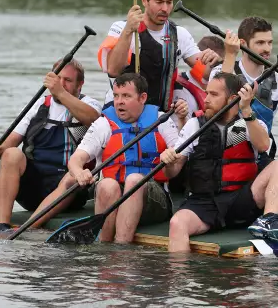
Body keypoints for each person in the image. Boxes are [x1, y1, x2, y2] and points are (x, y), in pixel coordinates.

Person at [159, 72, 278, 253]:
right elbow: (173, 172)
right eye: (207, 93)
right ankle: (179, 278)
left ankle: (268, 220)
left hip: (242, 200)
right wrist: (168, 162)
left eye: (214, 95)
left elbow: (263, 145)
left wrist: (246, 110)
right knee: (177, 223)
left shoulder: (250, 123)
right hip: (205, 202)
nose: (206, 99)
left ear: (232, 99)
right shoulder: (194, 125)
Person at [67, 73, 189, 243]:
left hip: (153, 201)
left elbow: (175, 171)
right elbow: (75, 160)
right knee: (107, 184)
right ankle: (104, 246)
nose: (119, 101)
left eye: (126, 96)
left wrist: (169, 163)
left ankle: (121, 249)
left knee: (134, 180)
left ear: (142, 98)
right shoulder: (103, 124)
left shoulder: (162, 120)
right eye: (116, 96)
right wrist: (79, 172)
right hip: (114, 197)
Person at [0, 59, 102, 231]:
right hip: (33, 188)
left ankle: (29, 228)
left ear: (80, 84)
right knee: (11, 154)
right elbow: (9, 143)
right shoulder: (38, 105)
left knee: (72, 177)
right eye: (57, 79)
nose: (61, 84)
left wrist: (60, 93)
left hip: (69, 189)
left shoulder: (90, 104)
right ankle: (3, 224)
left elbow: (92, 119)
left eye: (67, 81)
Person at [97, 0, 221, 111]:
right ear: (144, 1)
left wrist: (213, 59)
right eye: (159, 2)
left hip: (159, 115)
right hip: (120, 112)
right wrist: (128, 31)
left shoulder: (179, 34)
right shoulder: (120, 28)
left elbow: (205, 74)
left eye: (169, 2)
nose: (165, 9)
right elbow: (113, 70)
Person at [212, 16, 278, 163]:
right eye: (260, 43)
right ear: (243, 44)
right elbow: (219, 102)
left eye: (270, 42)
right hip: (222, 154)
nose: (267, 49)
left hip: (258, 155)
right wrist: (230, 54)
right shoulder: (221, 70)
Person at [175, 35, 226, 118]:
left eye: (221, 65)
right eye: (215, 64)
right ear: (201, 59)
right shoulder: (180, 91)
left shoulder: (219, 88)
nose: (218, 70)